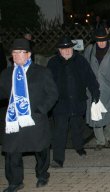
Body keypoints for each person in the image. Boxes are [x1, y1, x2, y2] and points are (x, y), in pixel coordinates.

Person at [0, 38, 58, 191]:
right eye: (14, 52)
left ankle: (42, 174)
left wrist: (41, 110)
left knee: (41, 149)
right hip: (14, 120)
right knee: (12, 151)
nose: (17, 55)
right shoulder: (6, 74)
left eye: (21, 52)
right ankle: (15, 181)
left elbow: (53, 94)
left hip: (35, 118)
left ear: (29, 55)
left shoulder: (41, 72)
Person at [47, 36, 100, 168]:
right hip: (60, 104)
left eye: (69, 48)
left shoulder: (80, 60)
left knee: (77, 127)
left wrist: (95, 93)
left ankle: (79, 146)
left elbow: (90, 78)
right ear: (59, 50)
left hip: (78, 101)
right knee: (60, 130)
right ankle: (58, 159)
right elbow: (47, 83)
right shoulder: (53, 63)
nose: (67, 51)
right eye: (64, 49)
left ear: (72, 48)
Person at [84, 28, 110, 151]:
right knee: (96, 114)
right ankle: (100, 140)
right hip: (93, 88)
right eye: (98, 41)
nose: (101, 43)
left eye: (103, 41)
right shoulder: (90, 50)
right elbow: (85, 67)